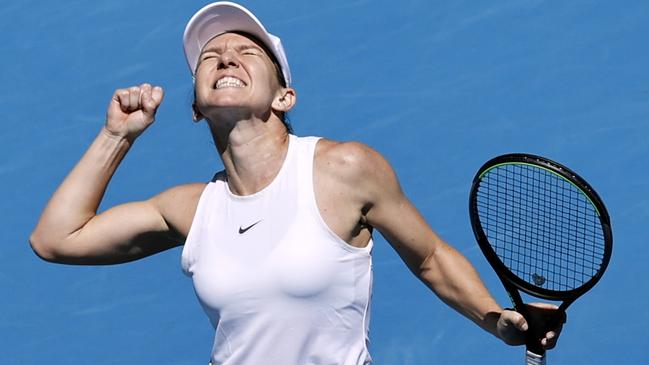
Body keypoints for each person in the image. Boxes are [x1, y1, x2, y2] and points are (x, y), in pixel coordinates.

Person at [30, 2, 563, 364]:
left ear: (284, 97)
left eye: (247, 52)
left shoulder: (343, 169)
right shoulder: (191, 210)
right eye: (209, 58)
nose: (225, 58)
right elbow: (56, 239)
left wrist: (498, 322)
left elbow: (430, 258)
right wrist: (116, 135)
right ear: (195, 107)